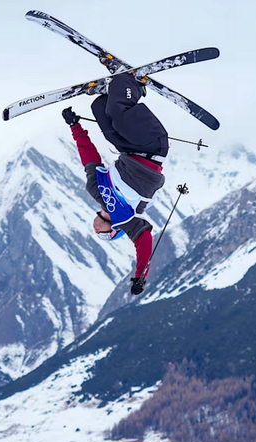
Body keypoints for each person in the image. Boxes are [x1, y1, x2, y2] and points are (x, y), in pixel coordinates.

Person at [62, 72, 170, 295]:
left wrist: (75, 126)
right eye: (103, 234)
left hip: (130, 149)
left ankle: (112, 92)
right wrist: (140, 276)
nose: (96, 230)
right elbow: (143, 242)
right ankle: (131, 83)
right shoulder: (126, 218)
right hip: (152, 147)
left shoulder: (95, 189)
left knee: (100, 109)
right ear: (114, 230)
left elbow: (89, 157)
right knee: (118, 115)